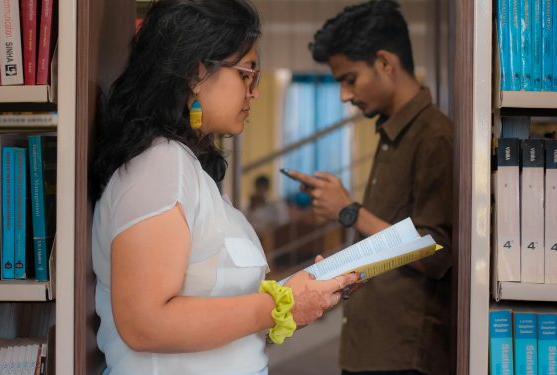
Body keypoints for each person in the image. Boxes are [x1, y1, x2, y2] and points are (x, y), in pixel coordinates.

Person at [88, 1, 359, 374]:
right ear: (197, 73)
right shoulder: (159, 166)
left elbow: (212, 315)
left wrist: (298, 297)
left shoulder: (187, 166)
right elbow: (144, 324)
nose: (254, 92)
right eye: (247, 73)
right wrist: (281, 304)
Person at [288, 1, 454, 374]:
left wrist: (349, 211)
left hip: (402, 355)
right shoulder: (392, 129)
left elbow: (437, 249)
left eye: (350, 79)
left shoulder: (435, 136)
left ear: (384, 63)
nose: (345, 96)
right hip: (374, 345)